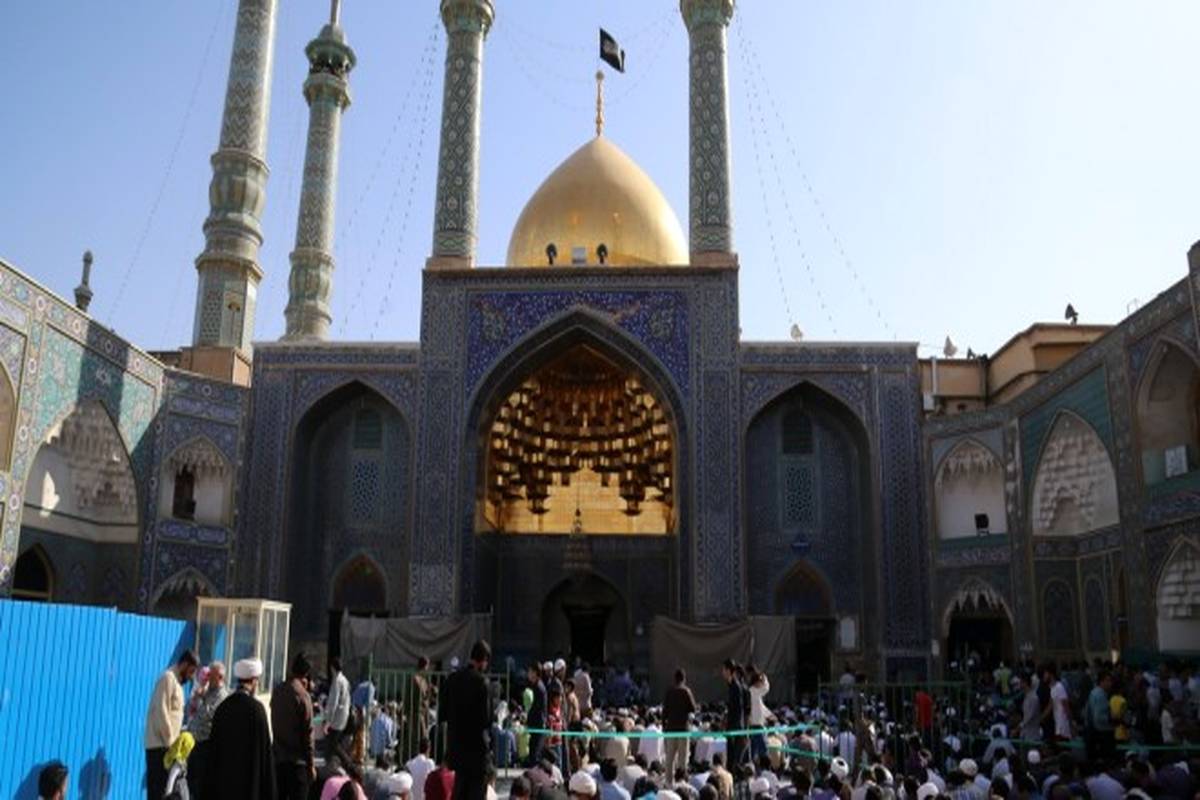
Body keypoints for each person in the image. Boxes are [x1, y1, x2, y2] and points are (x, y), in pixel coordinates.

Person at [203, 657, 277, 799]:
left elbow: (213, 753)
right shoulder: (257, 710)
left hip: (223, 788)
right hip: (250, 788)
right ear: (254, 681)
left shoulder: (223, 708)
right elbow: (265, 756)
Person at [441, 640, 493, 800]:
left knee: (459, 792)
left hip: (457, 752)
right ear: (484, 661)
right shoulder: (482, 683)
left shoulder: (452, 680)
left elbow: (443, 714)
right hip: (477, 754)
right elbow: (487, 720)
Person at [145, 649, 199, 800]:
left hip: (168, 748)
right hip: (160, 747)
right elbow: (161, 712)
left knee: (167, 792)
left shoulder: (177, 683)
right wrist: (170, 744)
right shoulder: (168, 679)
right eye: (191, 671)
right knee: (158, 792)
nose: (191, 676)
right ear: (184, 664)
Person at [272, 653, 317, 800]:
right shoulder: (303, 696)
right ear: (307, 672)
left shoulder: (278, 691)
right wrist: (311, 764)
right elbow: (308, 733)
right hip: (298, 763)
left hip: (278, 759)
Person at [187, 660, 229, 796]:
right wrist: (197, 693)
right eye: (208, 674)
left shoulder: (222, 696)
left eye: (212, 675)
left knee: (200, 786)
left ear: (220, 677)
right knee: (189, 784)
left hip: (205, 745)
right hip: (193, 743)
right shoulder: (207, 691)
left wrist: (201, 697)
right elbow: (191, 708)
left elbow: (207, 715)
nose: (208, 678)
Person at [664, 668, 698, 780]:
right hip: (683, 729)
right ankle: (681, 781)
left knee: (669, 759)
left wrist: (665, 727)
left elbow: (664, 711)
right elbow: (693, 708)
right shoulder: (686, 691)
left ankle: (668, 781)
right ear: (684, 679)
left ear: (674, 679)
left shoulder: (669, 691)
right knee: (682, 760)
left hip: (671, 730)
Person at [1083, 671, 1114, 765]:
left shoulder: (1093, 692)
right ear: (1101, 682)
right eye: (1108, 680)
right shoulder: (1100, 695)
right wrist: (1111, 719)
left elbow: (1086, 713)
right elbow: (1098, 717)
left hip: (1091, 732)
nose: (1110, 683)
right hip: (1101, 733)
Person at [326, 658, 353, 763]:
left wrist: (328, 720)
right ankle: (340, 763)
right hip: (343, 716)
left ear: (332, 668)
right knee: (337, 744)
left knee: (332, 746)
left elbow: (333, 702)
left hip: (336, 718)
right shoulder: (345, 680)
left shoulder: (337, 681)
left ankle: (333, 765)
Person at [723, 660, 749, 769]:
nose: (722, 672)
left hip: (735, 727)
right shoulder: (731, 685)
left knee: (734, 758)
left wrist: (733, 726)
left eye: (724, 669)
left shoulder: (736, 687)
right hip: (732, 726)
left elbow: (739, 709)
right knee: (730, 756)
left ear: (729, 671)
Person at [526, 662, 548, 767]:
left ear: (535, 673)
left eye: (530, 671)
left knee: (535, 754)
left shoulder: (539, 688)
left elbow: (538, 709)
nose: (528, 674)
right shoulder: (535, 686)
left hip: (538, 724)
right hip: (535, 724)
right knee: (533, 752)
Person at [747, 666, 771, 761]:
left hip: (755, 725)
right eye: (760, 682)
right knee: (763, 751)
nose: (761, 684)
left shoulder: (755, 693)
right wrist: (765, 678)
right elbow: (766, 688)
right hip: (756, 725)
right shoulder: (754, 691)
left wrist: (770, 715)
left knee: (753, 751)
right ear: (756, 682)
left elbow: (762, 708)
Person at [164, 731, 195, 800]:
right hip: (179, 789)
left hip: (180, 788)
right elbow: (171, 778)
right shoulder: (178, 763)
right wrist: (168, 795)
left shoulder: (178, 758)